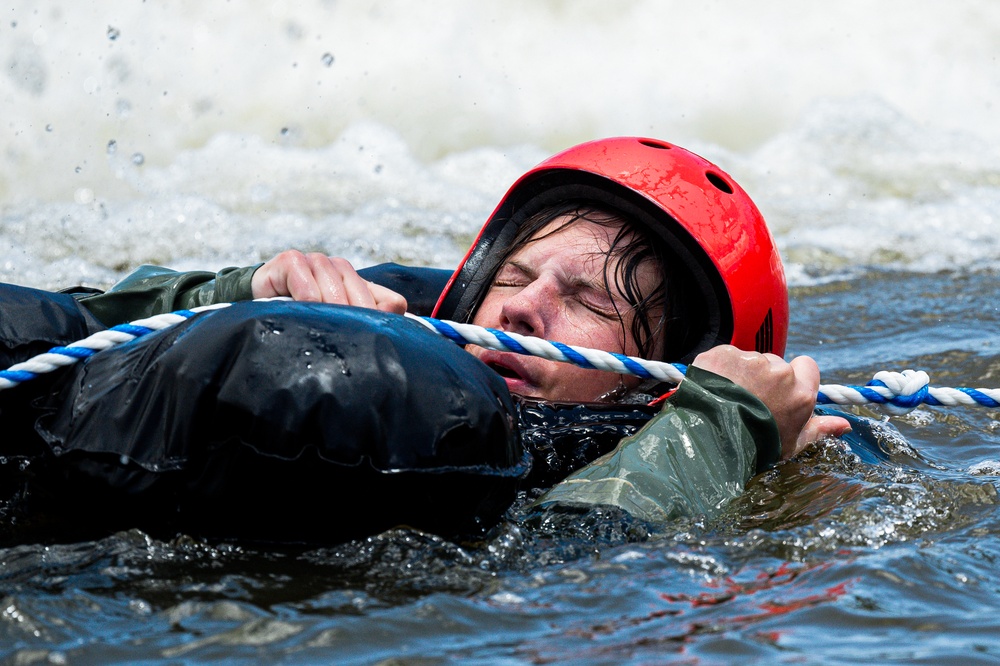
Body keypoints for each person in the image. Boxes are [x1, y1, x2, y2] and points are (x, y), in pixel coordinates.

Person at [1, 137, 853, 541]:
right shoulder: (404, 333)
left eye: (588, 300)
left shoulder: (661, 436)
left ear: (659, 378)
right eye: (515, 278)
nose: (521, 310)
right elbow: (80, 333)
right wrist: (240, 291)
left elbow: (577, 577)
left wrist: (718, 432)